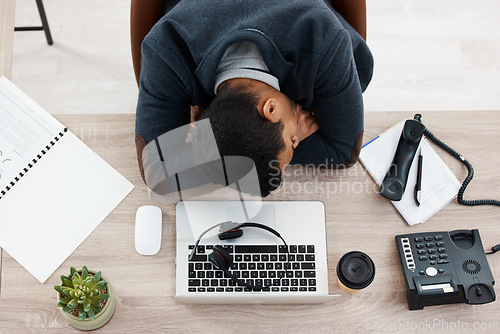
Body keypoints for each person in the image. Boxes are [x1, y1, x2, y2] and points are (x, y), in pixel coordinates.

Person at [134, 0, 373, 197]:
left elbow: (344, 151)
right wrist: (214, 143)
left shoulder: (323, 39)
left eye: (293, 140)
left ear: (271, 110)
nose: (298, 137)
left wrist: (214, 148)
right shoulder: (166, 45)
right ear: (270, 110)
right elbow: (156, 171)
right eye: (294, 141)